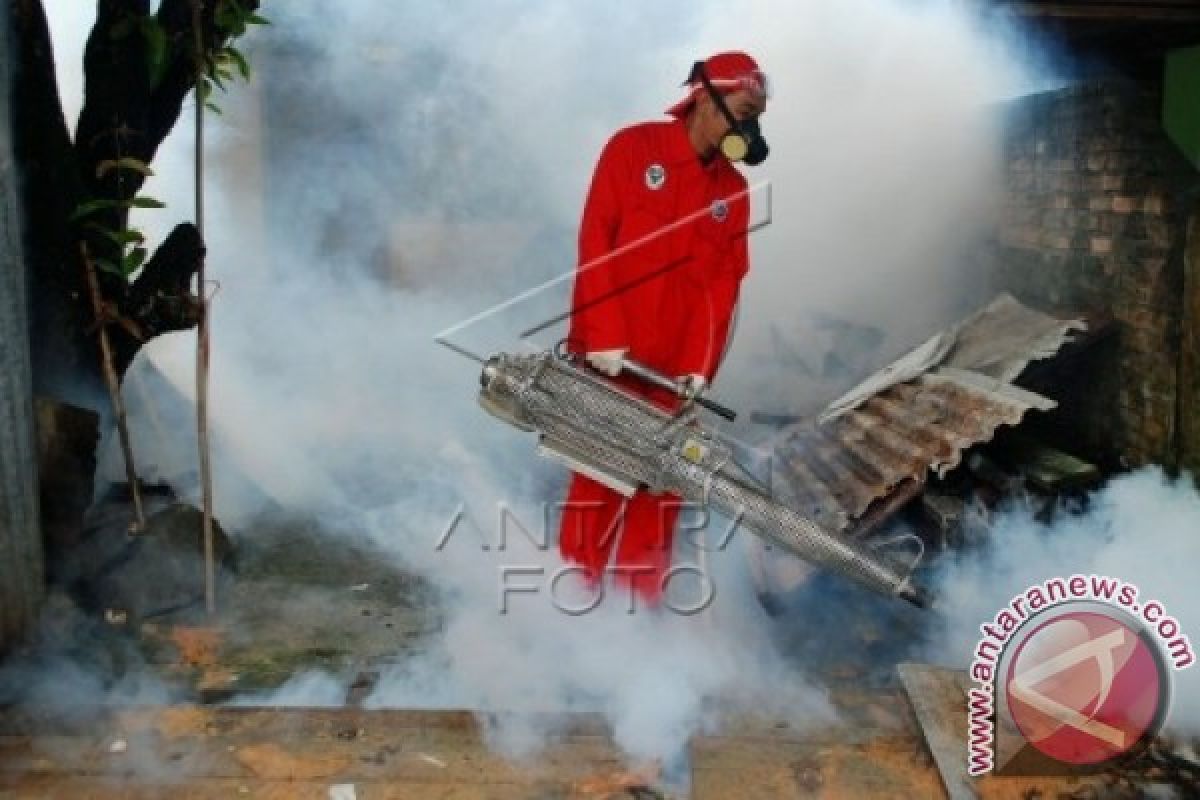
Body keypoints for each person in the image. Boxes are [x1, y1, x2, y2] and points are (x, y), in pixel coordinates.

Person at [559, 51, 769, 605]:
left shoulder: (733, 193)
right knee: (599, 478)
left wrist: (701, 369)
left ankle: (637, 613)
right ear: (705, 96)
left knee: (659, 490)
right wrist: (601, 332)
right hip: (614, 360)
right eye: (744, 112)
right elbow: (594, 240)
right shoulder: (634, 149)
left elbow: (722, 290)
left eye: (757, 117)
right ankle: (572, 606)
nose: (749, 129)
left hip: (672, 377)